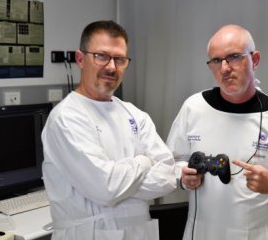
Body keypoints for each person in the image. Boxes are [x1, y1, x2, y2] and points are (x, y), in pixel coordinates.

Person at [166, 24, 268, 240]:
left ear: (254, 60)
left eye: (234, 57)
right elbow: (171, 162)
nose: (225, 68)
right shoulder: (193, 107)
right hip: (201, 233)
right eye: (216, 60)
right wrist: (182, 175)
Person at [41, 20, 176, 240]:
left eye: (120, 59)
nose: (112, 67)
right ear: (80, 59)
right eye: (101, 56)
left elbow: (168, 178)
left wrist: (117, 181)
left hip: (139, 233)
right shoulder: (66, 118)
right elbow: (105, 189)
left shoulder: (134, 114)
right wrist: (144, 162)